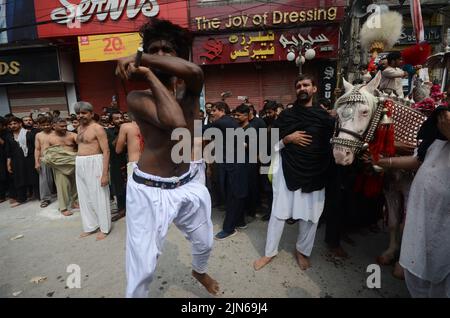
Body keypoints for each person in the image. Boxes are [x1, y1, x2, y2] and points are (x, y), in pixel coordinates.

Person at [115, 18, 219, 298]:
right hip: (150, 188)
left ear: (179, 56)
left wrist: (141, 57)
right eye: (153, 49)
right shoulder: (138, 97)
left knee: (205, 241)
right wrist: (148, 74)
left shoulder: (191, 89)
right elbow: (174, 121)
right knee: (143, 267)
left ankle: (199, 271)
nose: (159, 56)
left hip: (187, 180)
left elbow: (195, 70)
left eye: (166, 50)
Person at [254, 74, 335, 271]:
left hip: (316, 172)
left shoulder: (325, 117)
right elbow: (270, 144)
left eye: (306, 85)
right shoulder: (286, 116)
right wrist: (287, 139)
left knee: (311, 216)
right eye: (298, 86)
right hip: (287, 170)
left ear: (314, 89)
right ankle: (269, 252)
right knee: (279, 213)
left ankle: (302, 251)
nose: (302, 88)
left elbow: (333, 144)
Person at [374, 107, 450, 297]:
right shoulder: (435, 137)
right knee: (421, 267)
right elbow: (418, 160)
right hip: (422, 214)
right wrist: (384, 162)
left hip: (444, 221)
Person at [206, 101, 248, 239]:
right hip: (235, 163)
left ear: (222, 110)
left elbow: (203, 130)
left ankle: (229, 229)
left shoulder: (223, 122)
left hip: (234, 164)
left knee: (233, 194)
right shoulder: (229, 122)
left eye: (214, 110)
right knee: (236, 192)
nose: (212, 113)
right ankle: (240, 221)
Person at [74, 101, 111, 240]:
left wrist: (104, 174)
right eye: (78, 113)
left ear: (91, 113)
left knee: (99, 196)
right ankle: (91, 226)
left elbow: (106, 151)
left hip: (95, 162)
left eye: (83, 113)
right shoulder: (79, 128)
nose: (80, 115)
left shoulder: (97, 128)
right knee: (84, 197)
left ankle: (104, 227)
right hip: (80, 163)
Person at [43, 117, 78, 216]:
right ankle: (63, 208)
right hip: (59, 165)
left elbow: (82, 144)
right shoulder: (49, 138)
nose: (64, 128)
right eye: (62, 126)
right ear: (54, 126)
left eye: (65, 126)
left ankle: (75, 202)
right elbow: (46, 153)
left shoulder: (72, 135)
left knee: (75, 185)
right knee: (63, 186)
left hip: (73, 163)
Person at [5, 117, 39, 207]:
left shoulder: (29, 134)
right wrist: (8, 164)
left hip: (30, 159)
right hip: (16, 161)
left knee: (34, 177)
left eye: (14, 123)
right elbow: (8, 152)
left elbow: (36, 148)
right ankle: (21, 199)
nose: (13, 126)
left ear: (20, 124)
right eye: (11, 124)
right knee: (19, 179)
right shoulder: (9, 136)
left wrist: (37, 161)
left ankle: (39, 196)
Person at [106, 111, 127, 222]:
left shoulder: (129, 129)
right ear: (111, 121)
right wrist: (122, 132)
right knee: (118, 187)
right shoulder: (109, 132)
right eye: (117, 118)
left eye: (121, 118)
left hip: (128, 162)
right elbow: (113, 147)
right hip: (116, 162)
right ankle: (121, 209)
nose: (120, 120)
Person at [34, 116, 55, 208]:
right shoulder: (38, 135)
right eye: (43, 125)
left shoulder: (56, 133)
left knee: (60, 178)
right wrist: (36, 162)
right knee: (44, 180)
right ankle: (45, 199)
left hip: (56, 158)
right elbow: (37, 149)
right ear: (39, 125)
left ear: (51, 124)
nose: (46, 126)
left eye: (48, 124)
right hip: (43, 158)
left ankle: (66, 196)